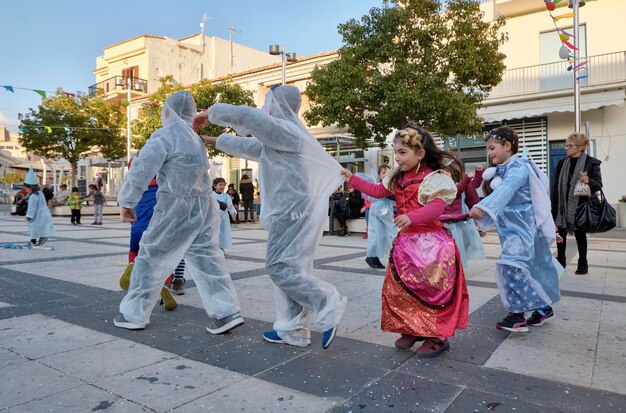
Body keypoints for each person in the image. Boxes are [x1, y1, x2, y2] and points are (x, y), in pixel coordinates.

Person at [194, 84, 346, 349]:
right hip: (290, 211)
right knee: (292, 268)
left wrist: (211, 113)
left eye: (268, 102)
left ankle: (326, 303)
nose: (266, 107)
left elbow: (251, 119)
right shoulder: (280, 137)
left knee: (279, 267)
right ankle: (292, 327)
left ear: (277, 105)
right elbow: (251, 146)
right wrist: (213, 141)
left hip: (292, 212)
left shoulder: (287, 132)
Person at [113, 90, 243, 334]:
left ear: (167, 111)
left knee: (152, 257)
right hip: (204, 208)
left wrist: (127, 201)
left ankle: (134, 314)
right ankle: (227, 312)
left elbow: (142, 168)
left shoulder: (165, 136)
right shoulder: (196, 139)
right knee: (209, 260)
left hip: (175, 207)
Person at [344, 126, 468, 358]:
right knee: (404, 290)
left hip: (432, 246)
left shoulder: (435, 177)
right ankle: (412, 327)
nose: (397, 158)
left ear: (420, 154)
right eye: (395, 152)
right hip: (406, 246)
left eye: (402, 152)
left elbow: (436, 208)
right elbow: (377, 191)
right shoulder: (397, 176)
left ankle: (437, 336)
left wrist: (412, 216)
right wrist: (353, 179)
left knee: (433, 291)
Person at [469, 126, 563, 333]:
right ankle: (543, 308)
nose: (489, 152)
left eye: (492, 148)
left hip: (523, 228)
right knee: (533, 267)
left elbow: (507, 188)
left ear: (507, 145)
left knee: (513, 266)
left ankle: (517, 315)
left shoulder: (518, 166)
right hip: (514, 228)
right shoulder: (505, 168)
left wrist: (483, 207)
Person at [551, 132, 602, 275]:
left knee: (580, 235)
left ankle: (583, 263)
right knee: (560, 234)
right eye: (566, 145)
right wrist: (553, 206)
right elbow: (556, 187)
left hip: (580, 206)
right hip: (562, 206)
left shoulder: (591, 163)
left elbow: (598, 185)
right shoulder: (562, 163)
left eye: (570, 145)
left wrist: (589, 181)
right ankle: (561, 262)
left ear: (580, 147)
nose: (566, 148)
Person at [440, 158, 486, 268]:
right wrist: (466, 180)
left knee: (464, 239)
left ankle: (458, 260)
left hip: (461, 216)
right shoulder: (442, 187)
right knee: (453, 241)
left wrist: (478, 174)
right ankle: (452, 261)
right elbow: (455, 191)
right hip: (448, 218)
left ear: (453, 173)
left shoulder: (460, 183)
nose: (443, 175)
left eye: (446, 172)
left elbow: (473, 185)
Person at [363, 165, 397, 269]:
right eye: (383, 173)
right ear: (379, 175)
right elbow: (391, 196)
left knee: (381, 235)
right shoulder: (380, 186)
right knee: (379, 234)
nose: (386, 175)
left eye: (388, 173)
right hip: (379, 210)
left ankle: (374, 257)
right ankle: (373, 257)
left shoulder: (389, 185)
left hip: (384, 210)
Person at [23, 168, 55, 246]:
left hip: (37, 215)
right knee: (40, 226)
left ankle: (36, 240)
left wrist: (29, 216)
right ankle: (39, 238)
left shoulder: (33, 196)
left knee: (33, 227)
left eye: (26, 189)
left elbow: (32, 207)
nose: (26, 191)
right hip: (43, 213)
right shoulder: (39, 193)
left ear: (31, 188)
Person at [212, 177, 237, 250]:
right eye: (220, 185)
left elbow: (230, 205)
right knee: (214, 233)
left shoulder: (226, 196)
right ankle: (214, 248)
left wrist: (233, 213)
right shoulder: (211, 195)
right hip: (214, 217)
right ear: (215, 186)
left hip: (224, 218)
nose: (222, 187)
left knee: (223, 233)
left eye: (223, 185)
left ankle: (221, 248)